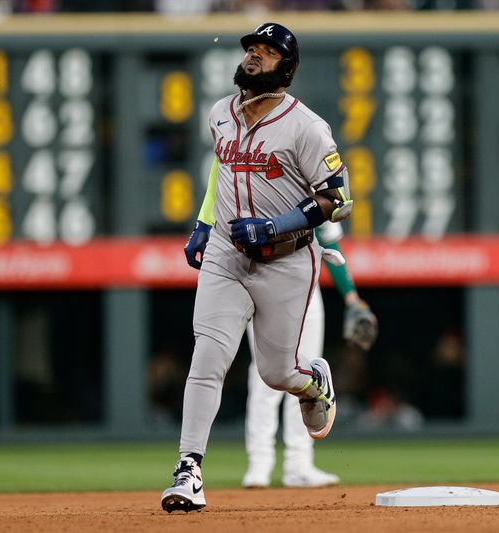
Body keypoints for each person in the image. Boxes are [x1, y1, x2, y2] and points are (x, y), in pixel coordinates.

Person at [161, 22, 353, 513]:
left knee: (276, 373)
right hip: (227, 254)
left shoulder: (306, 126)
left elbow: (337, 199)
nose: (254, 56)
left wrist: (275, 226)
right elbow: (220, 169)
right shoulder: (220, 114)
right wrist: (205, 223)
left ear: (285, 69)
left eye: (267, 53)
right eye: (252, 48)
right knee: (208, 357)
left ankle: (314, 381)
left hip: (286, 261)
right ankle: (189, 469)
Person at [242, 221, 376, 488]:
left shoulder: (316, 188)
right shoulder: (259, 185)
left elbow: (330, 242)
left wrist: (351, 297)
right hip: (262, 281)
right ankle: (259, 463)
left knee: (309, 377)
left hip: (307, 288)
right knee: (264, 376)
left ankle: (299, 464)